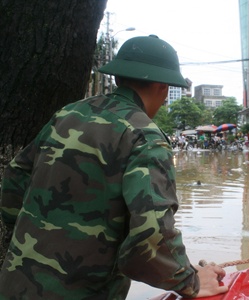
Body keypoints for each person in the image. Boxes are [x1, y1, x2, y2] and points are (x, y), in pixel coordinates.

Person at [0, 35, 228, 299]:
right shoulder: (145, 136)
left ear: (119, 78)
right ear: (164, 87)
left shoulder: (68, 114)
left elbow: (15, 177)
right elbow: (152, 232)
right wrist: (192, 282)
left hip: (15, 282)